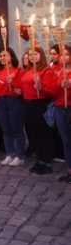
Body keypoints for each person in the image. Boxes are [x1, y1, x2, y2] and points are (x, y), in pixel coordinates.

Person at [19, 47, 53, 172]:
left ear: (41, 55)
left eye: (35, 54)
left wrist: (40, 86)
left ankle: (46, 162)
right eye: (30, 54)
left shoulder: (46, 71)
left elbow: (51, 91)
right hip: (28, 104)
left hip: (40, 104)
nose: (32, 56)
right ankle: (39, 160)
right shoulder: (27, 70)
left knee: (43, 133)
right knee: (33, 133)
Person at [42, 44, 71, 183]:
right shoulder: (58, 72)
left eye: (66, 54)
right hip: (60, 108)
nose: (63, 57)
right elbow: (53, 92)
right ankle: (70, 170)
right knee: (66, 140)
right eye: (62, 54)